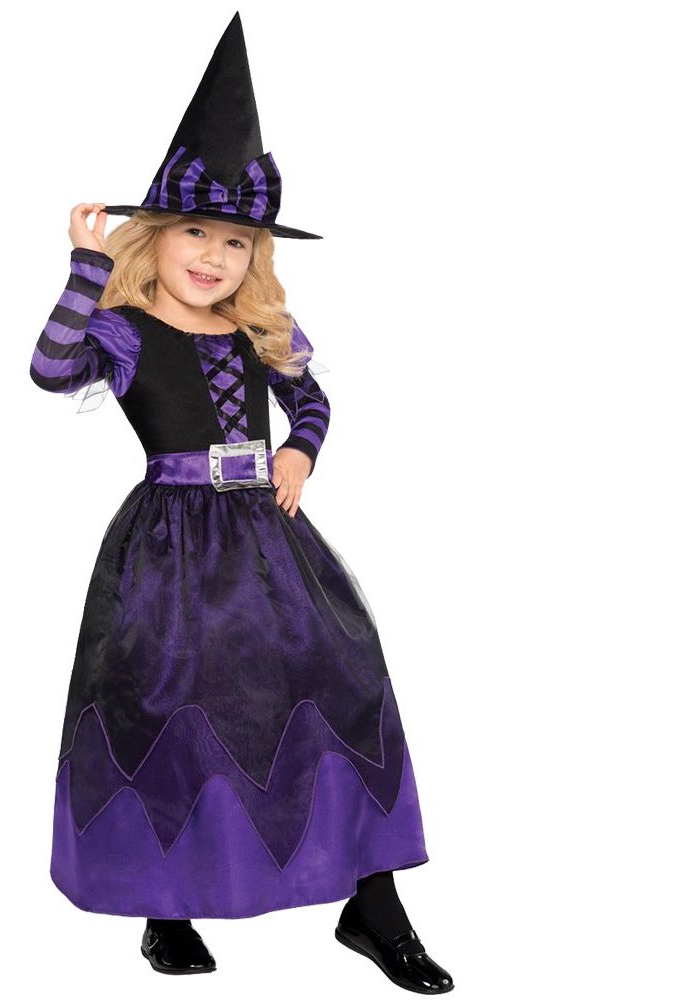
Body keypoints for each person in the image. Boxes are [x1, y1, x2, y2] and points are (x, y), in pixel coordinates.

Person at [28, 12, 454, 994]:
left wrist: (300, 448)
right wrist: (86, 269)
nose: (214, 256)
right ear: (155, 235)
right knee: (170, 703)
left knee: (340, 681)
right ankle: (165, 906)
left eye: (235, 240)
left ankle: (372, 902)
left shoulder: (258, 326)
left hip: (269, 540)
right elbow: (50, 369)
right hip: (168, 550)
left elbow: (311, 399)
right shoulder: (124, 328)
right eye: (195, 233)